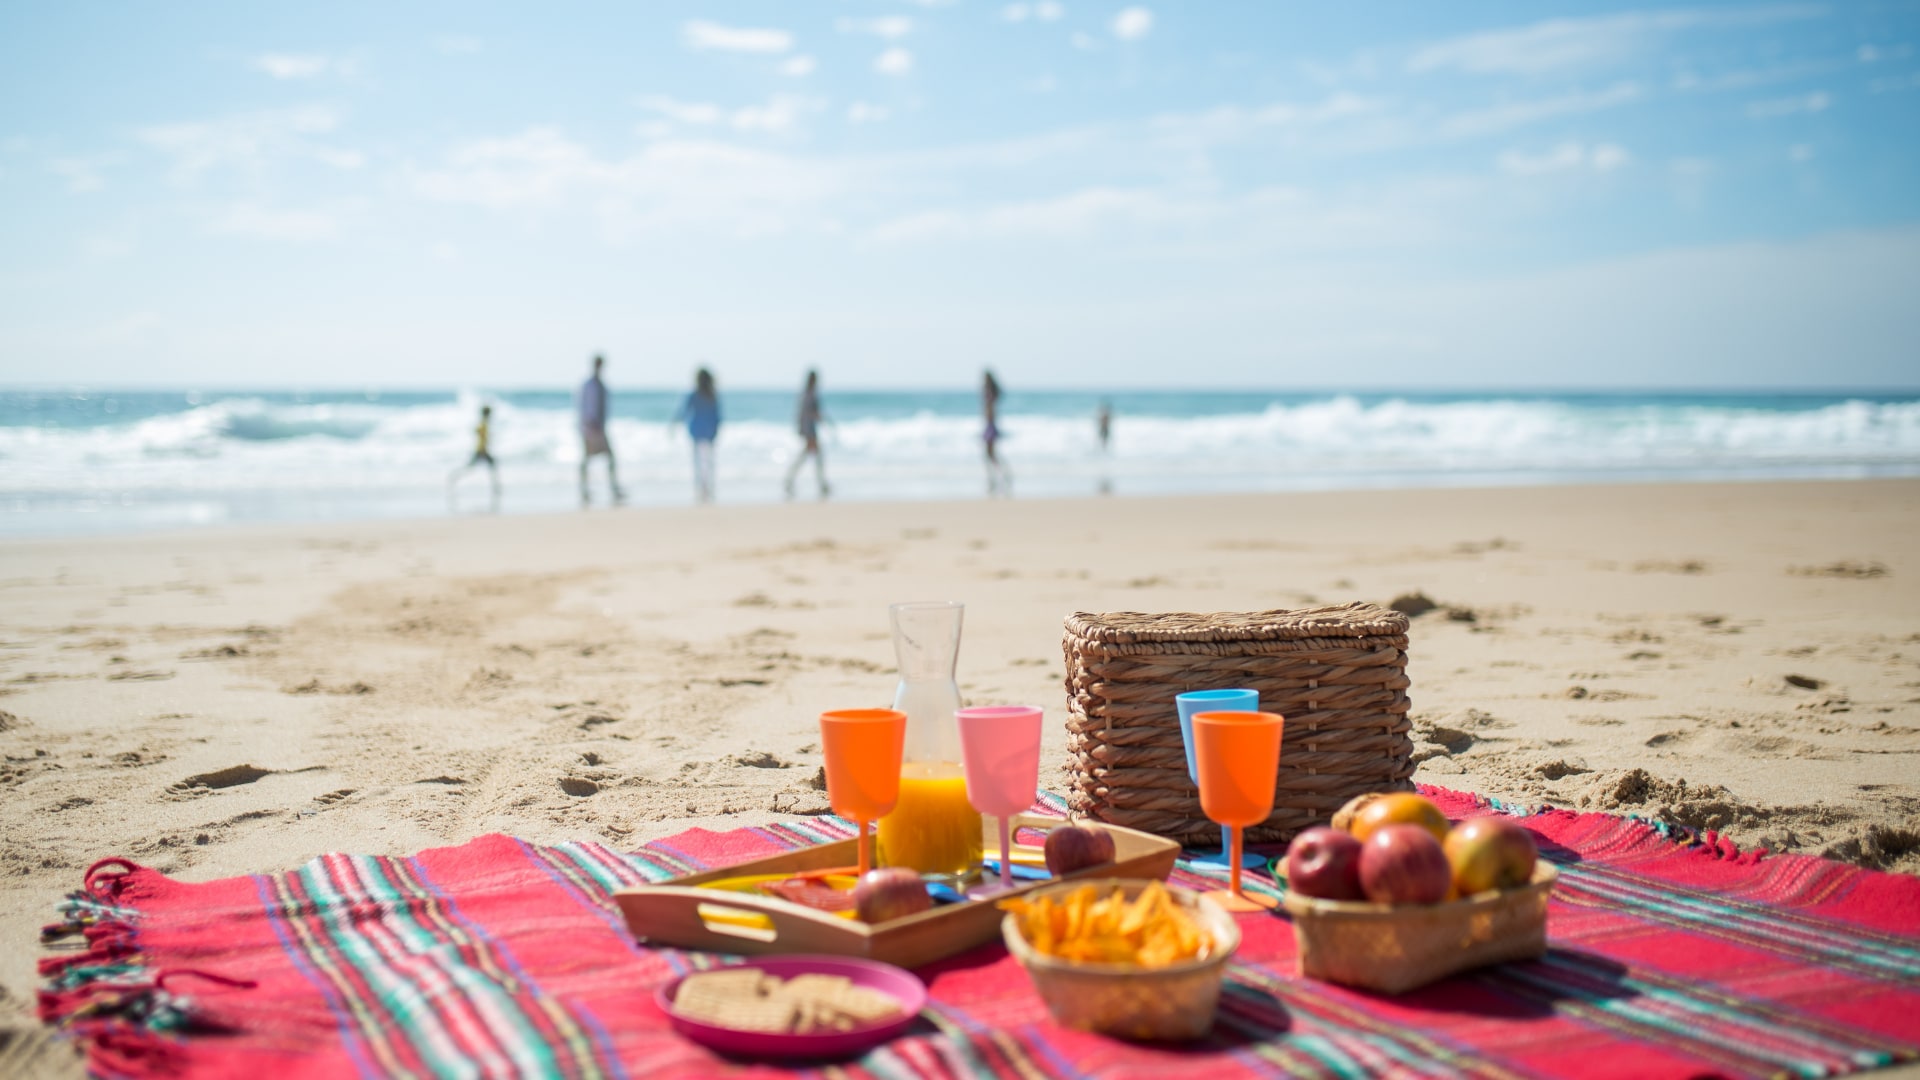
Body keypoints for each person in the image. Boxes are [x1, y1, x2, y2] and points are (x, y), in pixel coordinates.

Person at [577, 354, 625, 507]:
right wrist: (589, 425)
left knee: (608, 458)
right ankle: (584, 489)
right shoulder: (589, 385)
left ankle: (612, 487)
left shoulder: (600, 385)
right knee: (588, 459)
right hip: (591, 428)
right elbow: (585, 407)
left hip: (599, 427)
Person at [673, 367, 721, 503]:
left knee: (698, 462)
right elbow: (717, 415)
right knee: (709, 462)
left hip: (696, 430)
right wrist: (717, 429)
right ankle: (709, 489)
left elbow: (683, 411)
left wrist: (674, 425)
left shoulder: (694, 394)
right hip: (709, 430)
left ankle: (700, 489)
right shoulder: (712, 394)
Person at [783, 369, 831, 500]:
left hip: (808, 430)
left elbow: (801, 414)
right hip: (810, 431)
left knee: (808, 458)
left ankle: (790, 481)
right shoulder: (810, 395)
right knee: (813, 458)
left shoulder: (804, 395)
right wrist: (823, 421)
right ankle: (821, 484)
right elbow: (810, 413)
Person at [447, 403, 500, 511]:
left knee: (490, 468)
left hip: (482, 451)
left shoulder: (484, 424)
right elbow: (479, 433)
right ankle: (454, 478)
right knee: (472, 468)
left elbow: (477, 432)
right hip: (481, 451)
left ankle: (495, 487)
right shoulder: (483, 424)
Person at [982, 369, 1012, 497]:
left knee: (990, 455)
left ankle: (998, 478)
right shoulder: (990, 394)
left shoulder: (989, 394)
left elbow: (990, 411)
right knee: (991, 455)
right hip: (990, 425)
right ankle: (999, 477)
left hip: (990, 426)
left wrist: (990, 426)